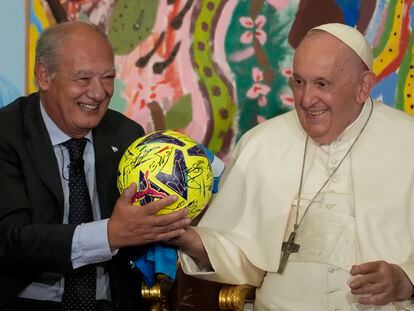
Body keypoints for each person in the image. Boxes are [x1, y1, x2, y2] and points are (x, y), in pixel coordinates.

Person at [172, 23, 414, 310]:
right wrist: (185, 238)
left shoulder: (407, 141)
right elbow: (239, 252)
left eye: (322, 84)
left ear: (363, 87)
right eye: (299, 82)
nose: (306, 99)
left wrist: (405, 279)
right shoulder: (261, 143)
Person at [0, 21, 190, 311]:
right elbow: (10, 239)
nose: (99, 93)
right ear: (44, 75)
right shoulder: (6, 132)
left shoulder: (126, 135)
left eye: (108, 77)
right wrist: (109, 234)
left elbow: (141, 236)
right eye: (82, 79)